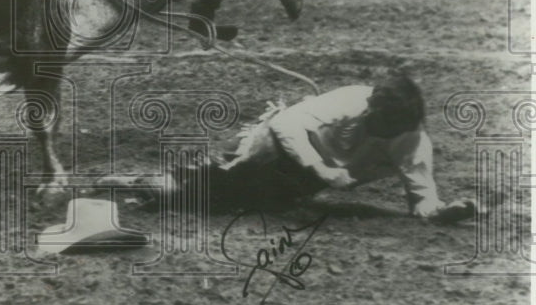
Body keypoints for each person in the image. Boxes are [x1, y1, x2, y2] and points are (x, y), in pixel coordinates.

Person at [176, 76, 474, 223]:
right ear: (371, 105)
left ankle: (177, 184)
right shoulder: (351, 99)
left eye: (392, 128)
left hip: (303, 180)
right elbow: (284, 124)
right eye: (377, 118)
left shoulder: (412, 141)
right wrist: (320, 166)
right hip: (274, 148)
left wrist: (444, 212)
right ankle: (168, 183)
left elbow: (422, 198)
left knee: (251, 205)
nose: (381, 129)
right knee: (207, 189)